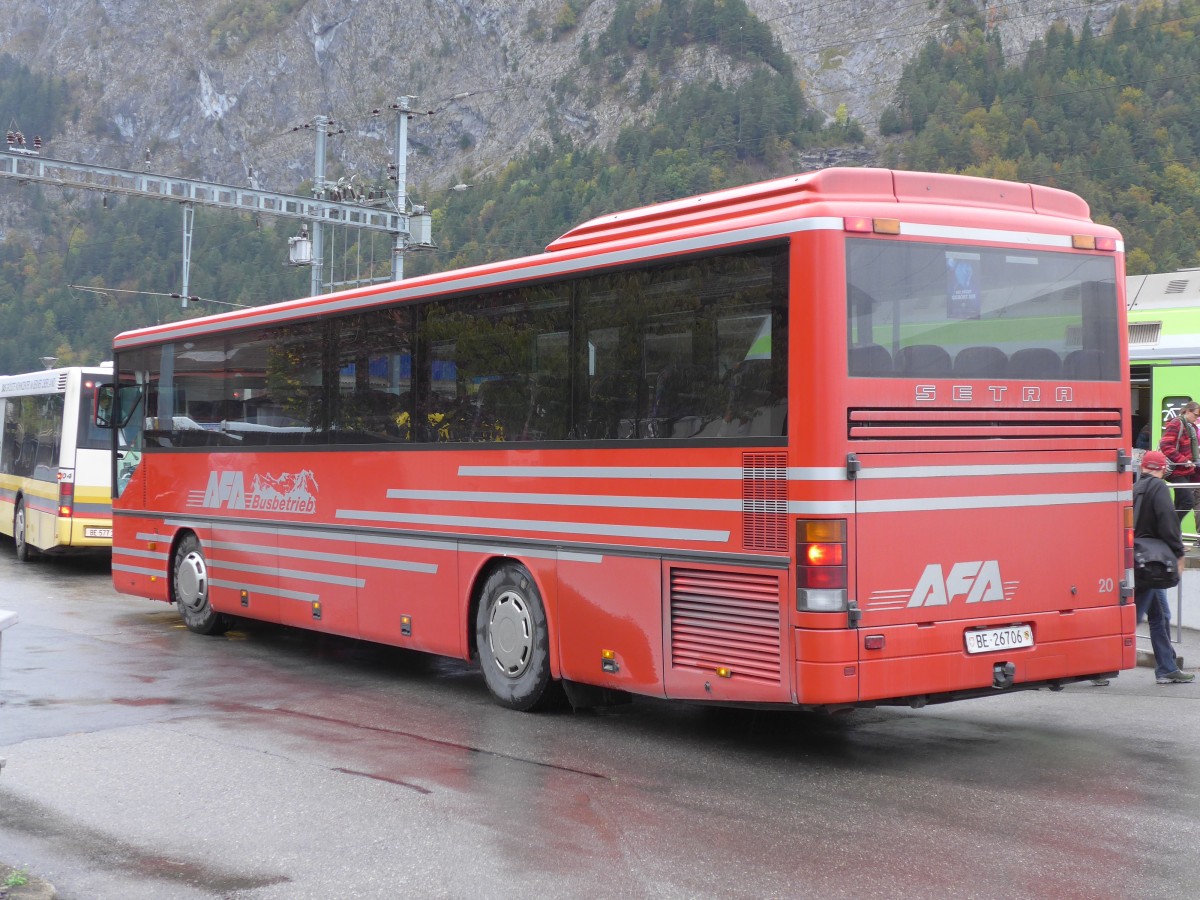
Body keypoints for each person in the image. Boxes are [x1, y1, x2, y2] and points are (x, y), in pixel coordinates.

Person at [1133, 450, 1195, 684]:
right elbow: (1168, 520)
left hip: (1136, 559)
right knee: (1140, 617)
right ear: (1161, 468)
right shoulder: (1158, 487)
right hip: (1151, 563)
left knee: (1156, 614)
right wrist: (1178, 552)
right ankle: (1094, 665)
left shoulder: (1135, 488)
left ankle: (1167, 666)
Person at [1160, 400, 1200, 532]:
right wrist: (1183, 460)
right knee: (1187, 501)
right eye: (1195, 415)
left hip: (1185, 471)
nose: (1196, 418)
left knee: (1180, 504)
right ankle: (1168, 531)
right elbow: (1165, 445)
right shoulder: (1176, 423)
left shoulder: (1189, 426)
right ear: (1187, 411)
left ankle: (1174, 537)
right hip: (1177, 470)